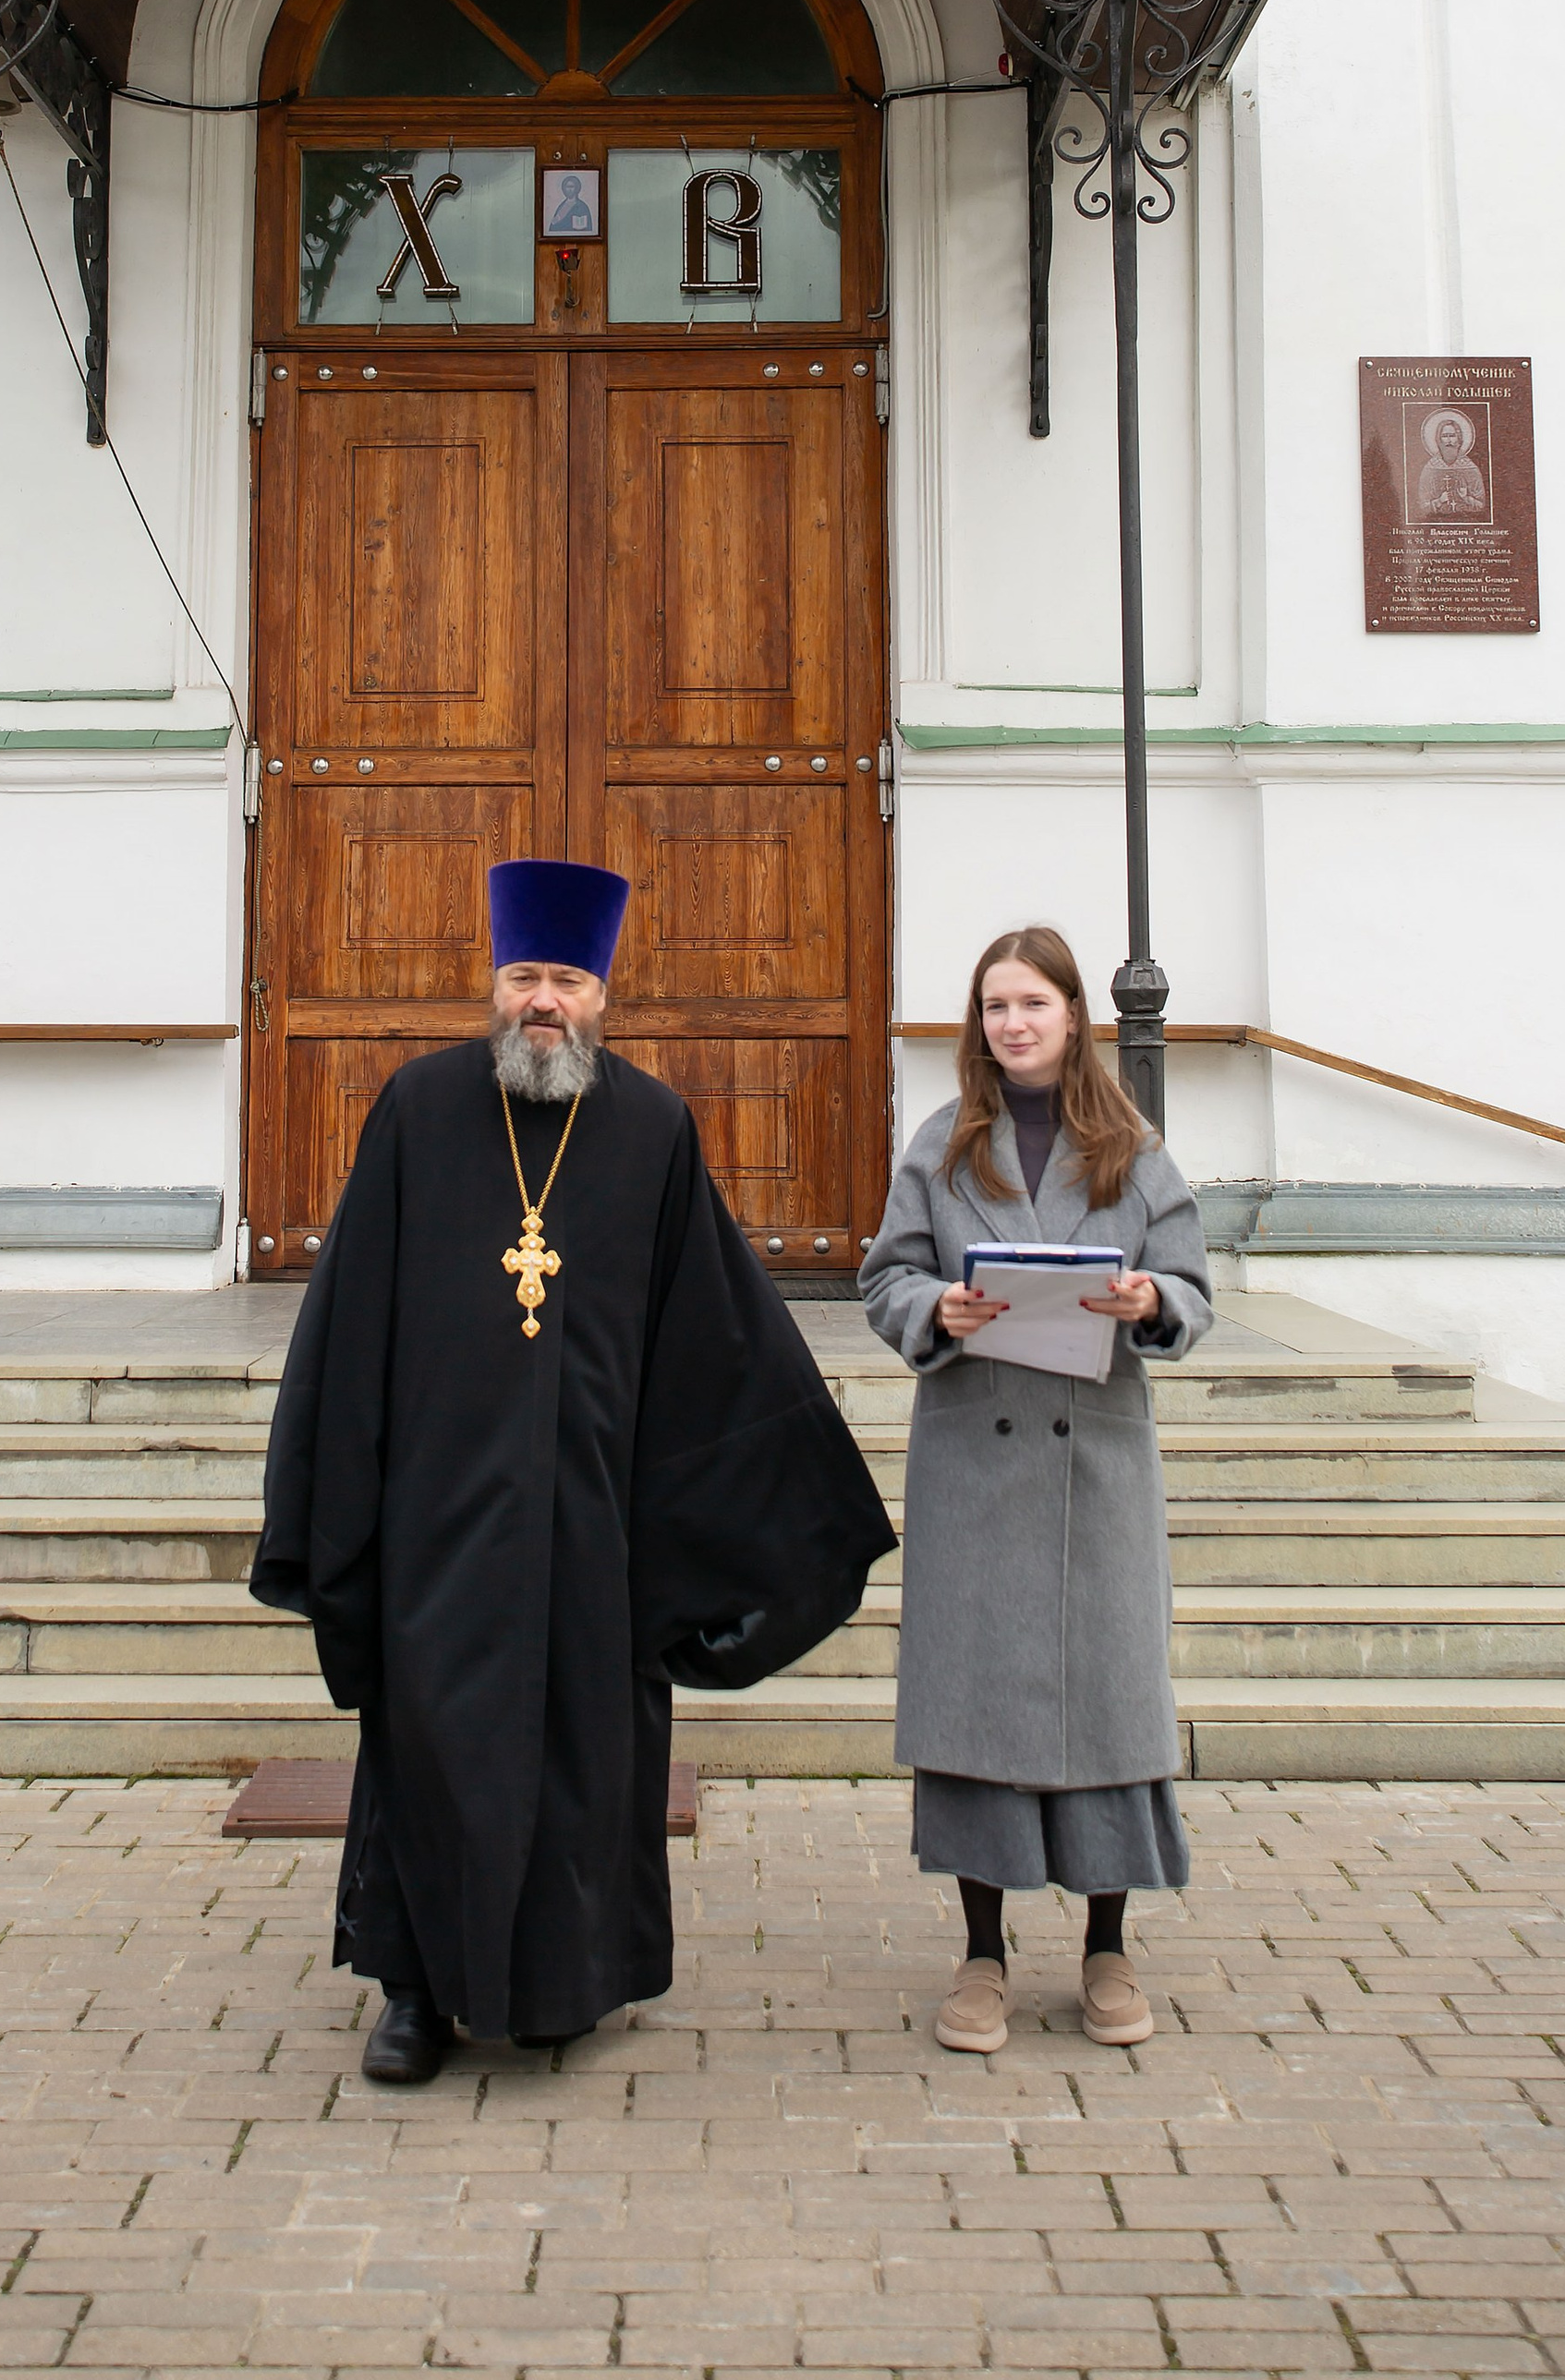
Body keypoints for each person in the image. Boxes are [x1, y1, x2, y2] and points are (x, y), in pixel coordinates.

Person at [253, 856, 895, 2084]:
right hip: (439, 1509)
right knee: (431, 1742)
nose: (545, 1002)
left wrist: (787, 1507)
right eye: (526, 976)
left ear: (606, 995)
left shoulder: (651, 1125)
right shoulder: (417, 1108)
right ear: (493, 986)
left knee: (588, 1752)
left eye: (570, 980)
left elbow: (711, 1325)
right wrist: (343, 1499)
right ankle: (411, 1992)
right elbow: (351, 1319)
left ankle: (565, 1980)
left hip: (596, 1514)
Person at [859, 923, 1211, 2056]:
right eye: (995, 1006)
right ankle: (980, 1957)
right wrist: (936, 1314)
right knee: (979, 1710)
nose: (1013, 1024)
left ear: (1073, 1016)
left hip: (1095, 1463)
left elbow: (1194, 1291)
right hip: (978, 1461)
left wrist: (1149, 1300)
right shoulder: (943, 1145)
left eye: (1033, 1005)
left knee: (1105, 1705)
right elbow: (888, 1276)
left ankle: (1107, 1950)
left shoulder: (1134, 1149)